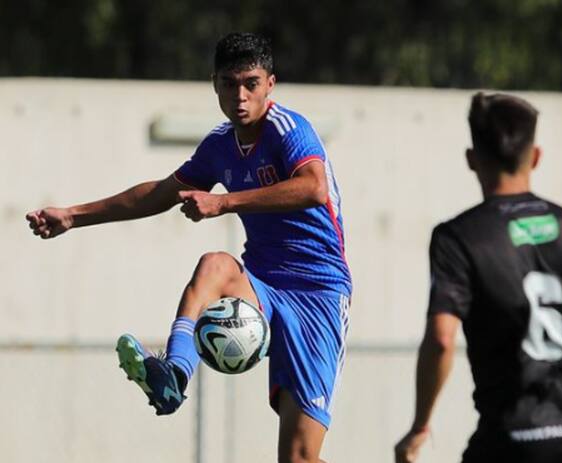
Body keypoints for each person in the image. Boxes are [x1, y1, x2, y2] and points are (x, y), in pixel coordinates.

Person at [25, 32, 350, 463]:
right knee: (213, 265)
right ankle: (175, 374)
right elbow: (159, 193)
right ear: (214, 83)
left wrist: (224, 201)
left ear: (270, 84)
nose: (240, 95)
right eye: (229, 84)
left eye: (251, 83)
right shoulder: (219, 144)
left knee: (298, 459)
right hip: (261, 283)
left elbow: (313, 186)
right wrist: (73, 216)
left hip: (318, 294)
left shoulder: (288, 129)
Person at [394, 93, 562, 463]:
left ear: (472, 160)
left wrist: (420, 426)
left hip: (516, 440)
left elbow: (442, 340)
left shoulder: (457, 238)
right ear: (535, 156)